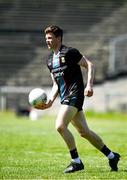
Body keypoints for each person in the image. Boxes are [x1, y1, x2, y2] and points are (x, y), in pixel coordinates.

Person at [35, 25, 120, 173]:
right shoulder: (49, 61)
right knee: (84, 132)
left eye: (50, 38)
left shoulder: (69, 52)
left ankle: (76, 161)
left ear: (58, 38)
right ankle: (112, 156)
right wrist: (49, 102)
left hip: (75, 94)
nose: (47, 41)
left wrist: (89, 85)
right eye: (46, 38)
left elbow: (90, 65)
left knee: (60, 126)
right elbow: (56, 83)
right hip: (65, 97)